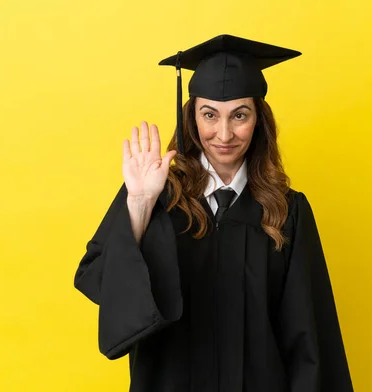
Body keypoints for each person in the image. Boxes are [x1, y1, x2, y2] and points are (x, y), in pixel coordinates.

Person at [74, 34, 353, 392]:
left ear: (259, 120)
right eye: (210, 115)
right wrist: (141, 204)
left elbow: (309, 336)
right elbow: (99, 282)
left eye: (240, 115)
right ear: (191, 117)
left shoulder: (286, 210)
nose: (224, 134)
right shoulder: (157, 194)